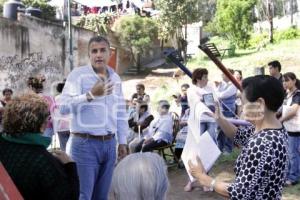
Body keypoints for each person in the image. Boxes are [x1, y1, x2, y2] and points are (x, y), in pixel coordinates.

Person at [189, 75, 288, 199]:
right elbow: (239, 136)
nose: (241, 107)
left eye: (243, 102)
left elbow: (239, 193)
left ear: (260, 104)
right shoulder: (275, 129)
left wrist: (203, 178)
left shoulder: (262, 143)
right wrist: (220, 118)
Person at [60, 36, 128, 200]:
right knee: (83, 195)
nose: (99, 55)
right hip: (85, 145)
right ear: (89, 55)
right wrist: (90, 95)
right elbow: (63, 107)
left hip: (110, 144)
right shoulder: (77, 76)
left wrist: (123, 141)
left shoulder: (115, 78)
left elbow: (120, 112)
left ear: (109, 54)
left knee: (102, 196)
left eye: (102, 50)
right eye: (94, 51)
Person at [0, 93, 79, 200]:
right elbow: (68, 197)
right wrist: (70, 166)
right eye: (48, 117)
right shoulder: (44, 161)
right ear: (41, 124)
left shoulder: (3, 144)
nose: (48, 121)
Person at [280, 72, 300, 186]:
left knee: (293, 154)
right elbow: (283, 109)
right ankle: (287, 175)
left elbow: (293, 111)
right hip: (287, 128)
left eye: (287, 80)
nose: (284, 83)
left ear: (294, 81)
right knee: (288, 154)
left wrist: (280, 120)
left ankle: (294, 178)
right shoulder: (287, 94)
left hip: (295, 129)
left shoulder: (298, 94)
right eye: (283, 81)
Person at [216, 69, 238, 154]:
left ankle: (228, 148)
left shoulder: (233, 85)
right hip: (221, 110)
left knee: (229, 129)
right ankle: (219, 148)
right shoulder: (221, 84)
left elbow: (223, 95)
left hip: (229, 110)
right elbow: (215, 93)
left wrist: (217, 94)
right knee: (220, 129)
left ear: (228, 75)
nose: (222, 76)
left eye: (223, 74)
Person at [53, 80, 70, 152]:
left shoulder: (56, 99)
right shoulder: (69, 98)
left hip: (60, 127)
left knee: (63, 148)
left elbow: (54, 113)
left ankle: (65, 162)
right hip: (70, 126)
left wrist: (54, 129)